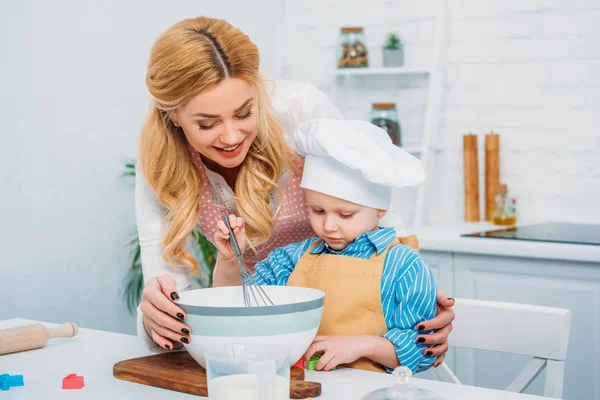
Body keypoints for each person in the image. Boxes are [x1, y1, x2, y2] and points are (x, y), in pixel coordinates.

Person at [134, 16, 455, 365]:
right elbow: (168, 283)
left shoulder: (299, 109)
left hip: (343, 321)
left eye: (244, 113)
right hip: (259, 334)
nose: (230, 137)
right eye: (207, 124)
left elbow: (370, 199)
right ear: (174, 116)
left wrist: (413, 291)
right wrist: (160, 314)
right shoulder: (161, 162)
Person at [213, 119, 437, 374]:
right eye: (317, 210)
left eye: (345, 214)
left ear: (380, 209)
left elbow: (422, 353)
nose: (329, 226)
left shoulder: (404, 265)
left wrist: (363, 345)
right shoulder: (293, 258)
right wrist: (231, 259)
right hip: (303, 387)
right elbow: (245, 309)